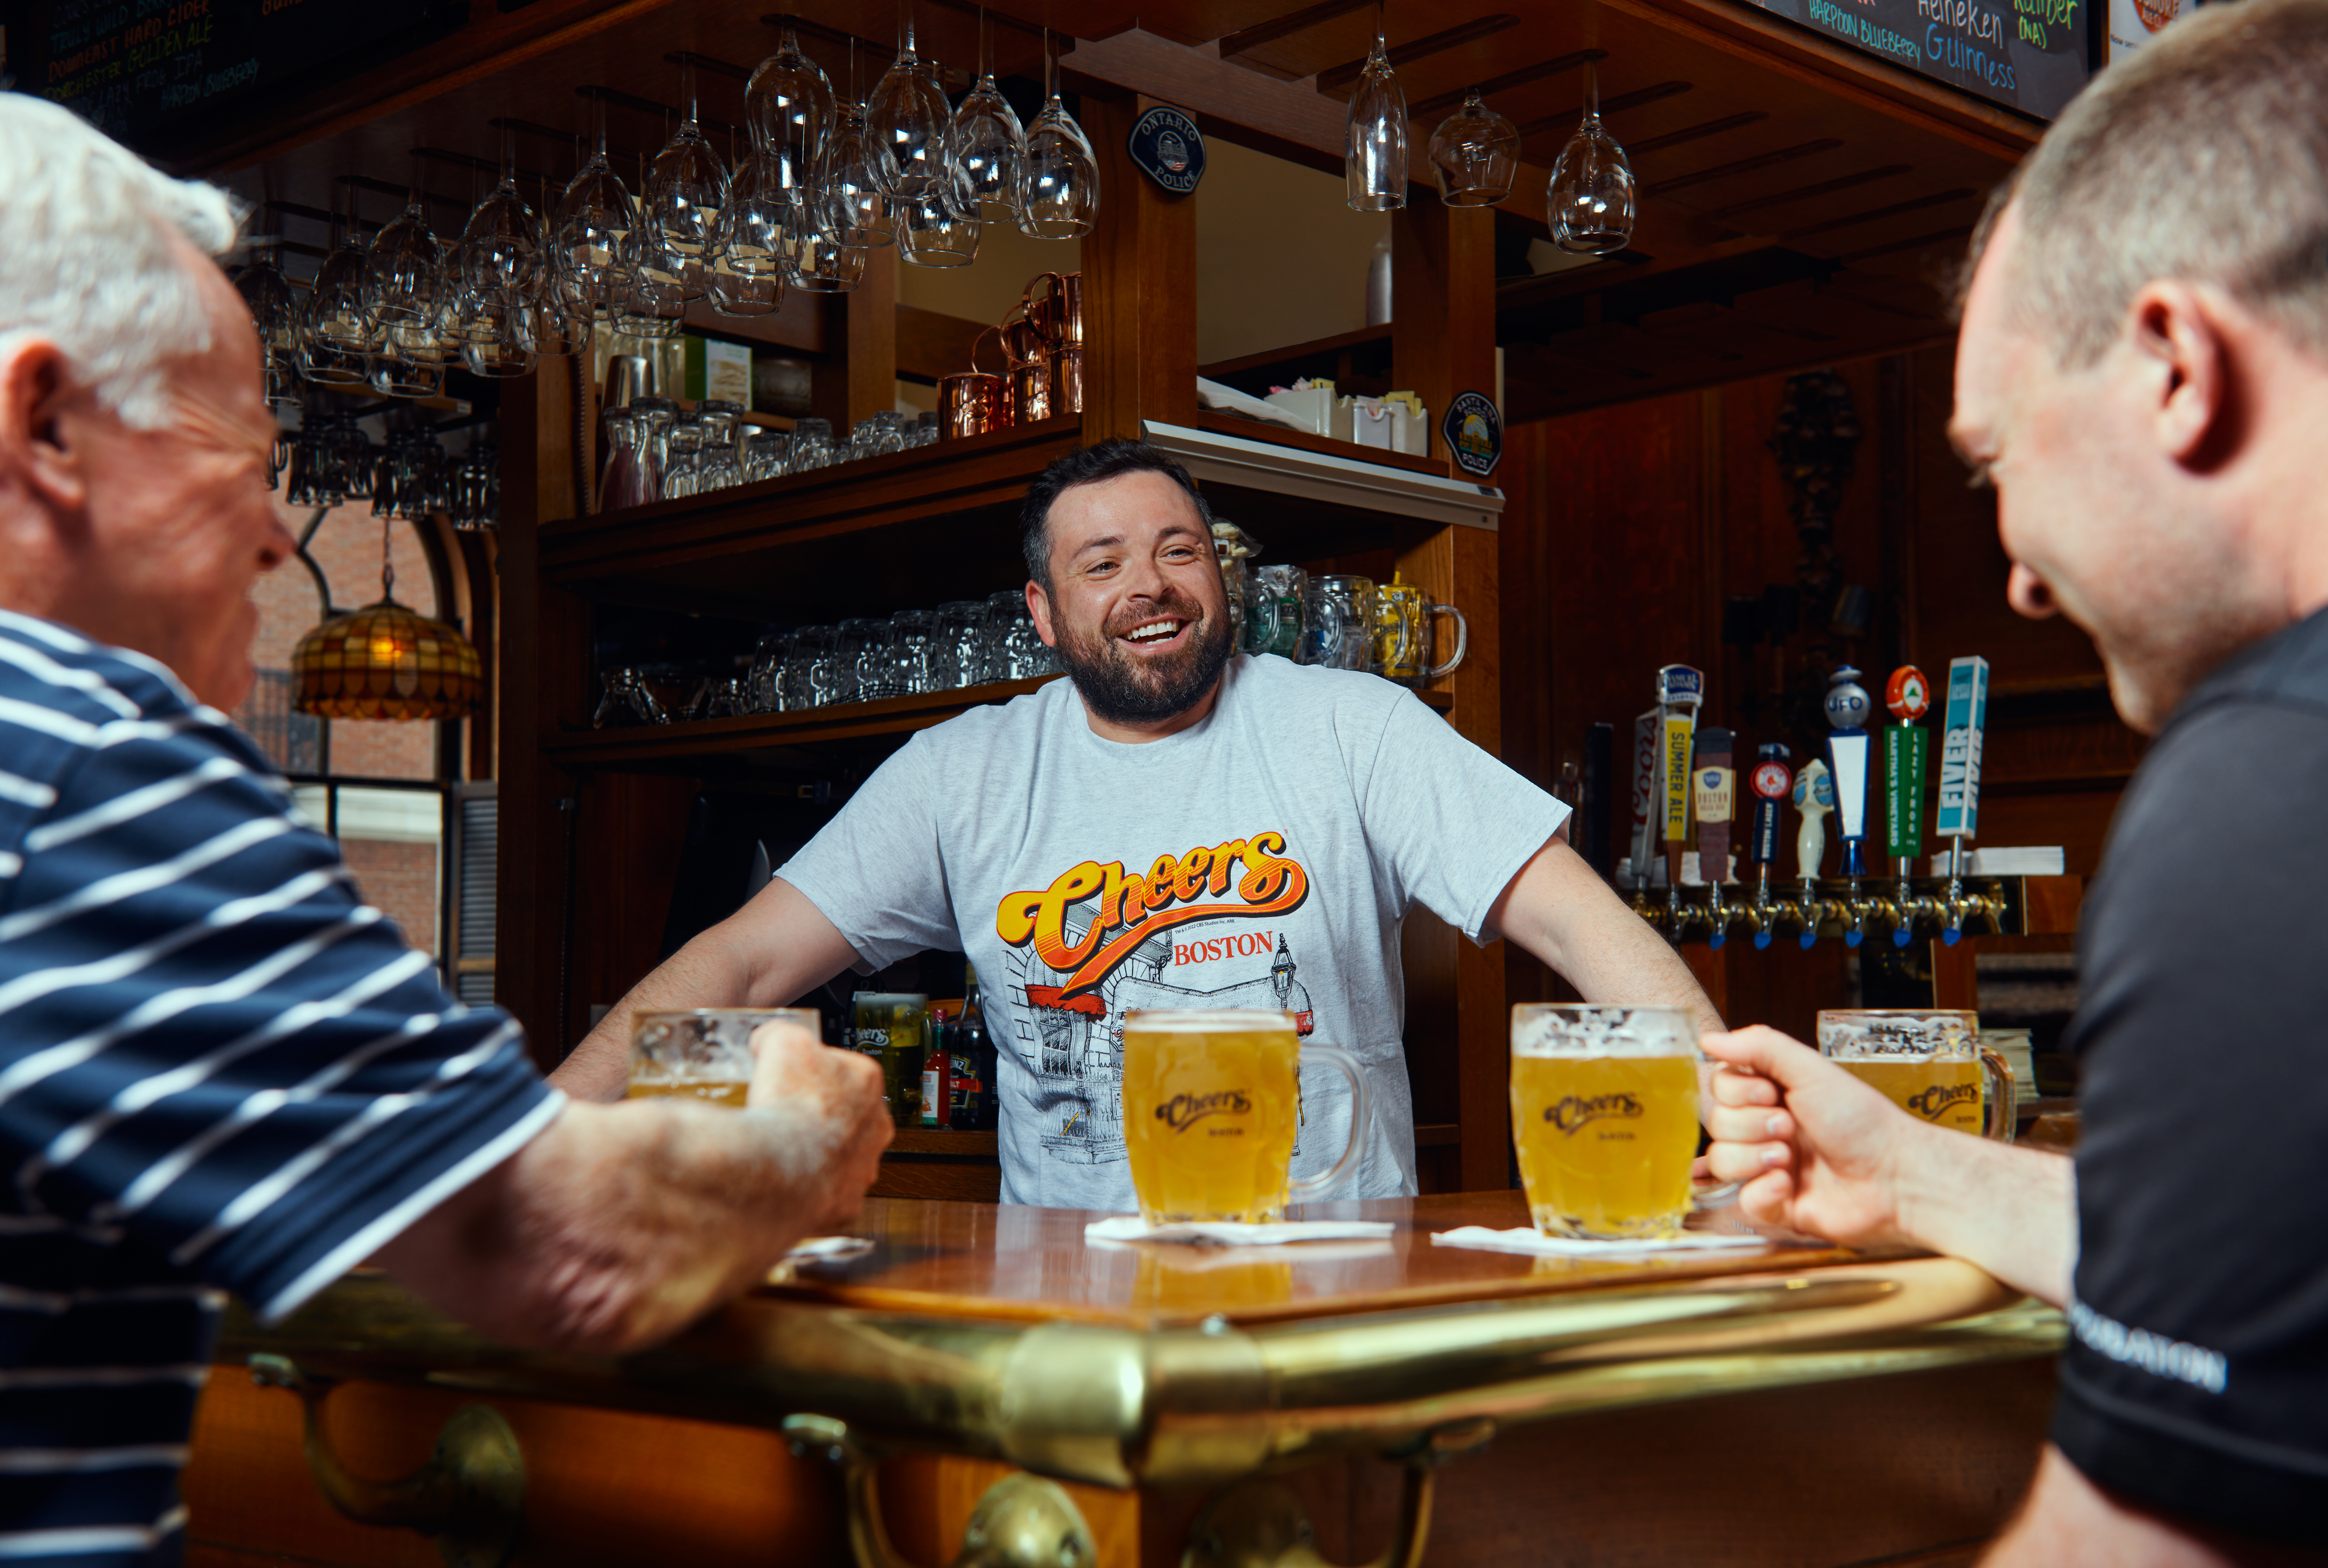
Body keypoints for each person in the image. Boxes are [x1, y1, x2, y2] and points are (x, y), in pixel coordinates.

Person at [0, 95, 892, 1563]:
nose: (278, 537)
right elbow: (564, 1249)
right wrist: (804, 1128)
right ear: (43, 423)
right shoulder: (79, 754)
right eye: (243, 462)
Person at [1700, 1, 2328, 1559]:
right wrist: (1917, 1169)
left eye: (1997, 467)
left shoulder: (2276, 788)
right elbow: (2284, 1287)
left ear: (2176, 366)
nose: (2015, 578)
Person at [555, 438, 1721, 1208]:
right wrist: (535, 1137)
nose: (1149, 584)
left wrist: (1736, 1123)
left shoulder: (1349, 724)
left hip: (1329, 1294)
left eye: (1179, 550)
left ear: (1220, 576)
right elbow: (745, 962)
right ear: (1045, 614)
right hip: (1069, 1315)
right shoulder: (965, 771)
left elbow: (1576, 922)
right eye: (1101, 561)